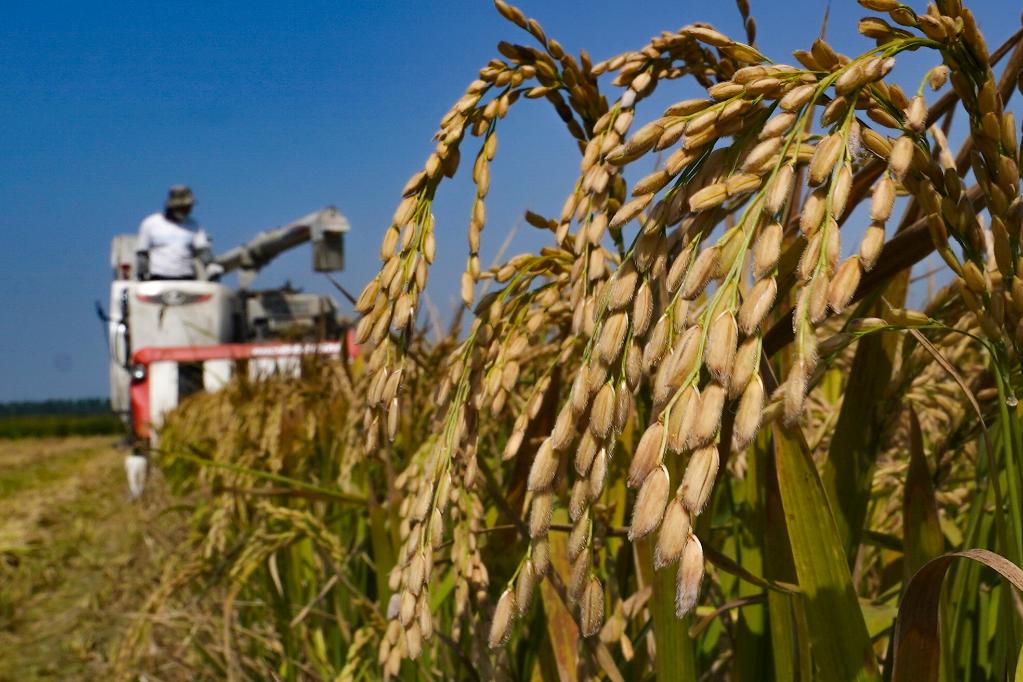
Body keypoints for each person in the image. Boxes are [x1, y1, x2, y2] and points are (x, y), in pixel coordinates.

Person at [136, 185, 224, 280]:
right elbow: (142, 252)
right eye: (183, 207)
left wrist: (210, 264)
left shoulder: (194, 225)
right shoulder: (151, 223)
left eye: (188, 207)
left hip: (186, 277)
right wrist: (142, 273)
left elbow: (202, 249)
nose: (187, 211)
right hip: (159, 278)